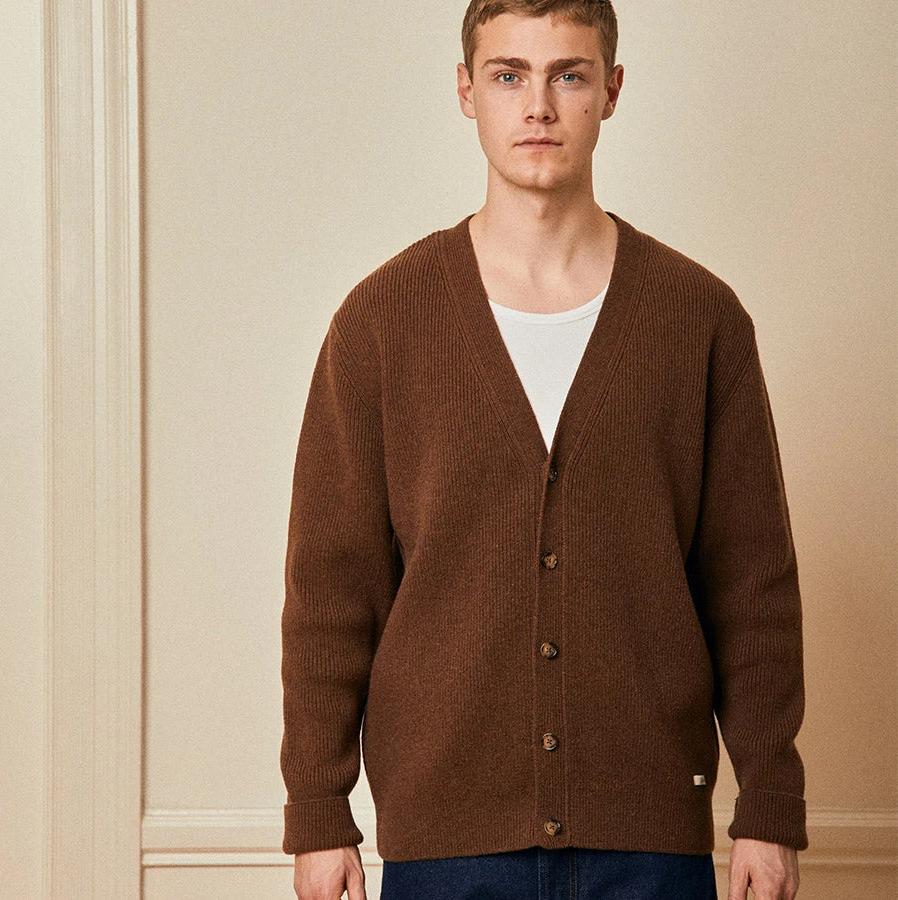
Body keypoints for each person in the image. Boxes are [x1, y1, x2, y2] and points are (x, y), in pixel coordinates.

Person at [280, 1, 808, 898]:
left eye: (568, 74)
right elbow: (331, 589)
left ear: (612, 90)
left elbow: (752, 584)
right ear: (465, 91)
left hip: (647, 836)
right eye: (508, 75)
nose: (538, 106)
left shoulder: (699, 319)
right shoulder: (381, 324)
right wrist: (319, 810)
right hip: (446, 843)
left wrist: (769, 803)